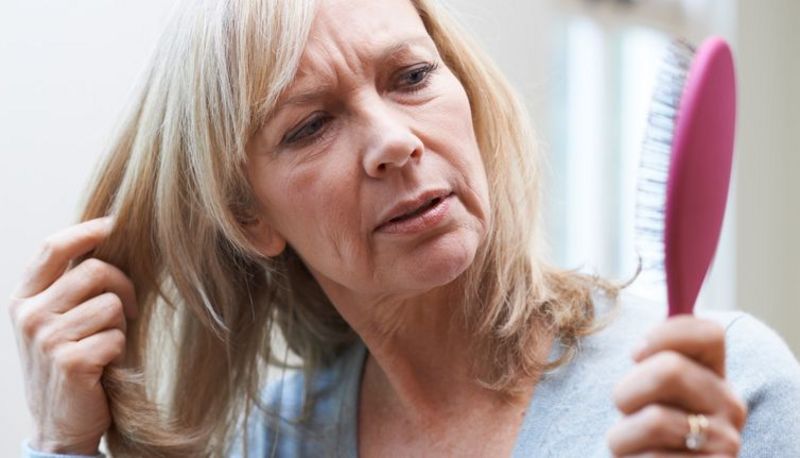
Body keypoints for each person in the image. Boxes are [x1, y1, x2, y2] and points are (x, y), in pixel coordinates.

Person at [8, 0, 800, 456]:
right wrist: (62, 444)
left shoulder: (724, 389)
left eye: (413, 77)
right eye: (311, 125)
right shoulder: (275, 439)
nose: (394, 141)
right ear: (250, 218)